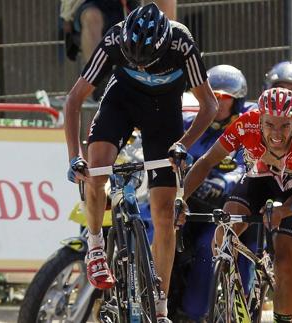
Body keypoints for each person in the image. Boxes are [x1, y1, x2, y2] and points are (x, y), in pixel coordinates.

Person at [64, 4, 217, 322]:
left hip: (164, 113)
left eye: (147, 61)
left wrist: (182, 146)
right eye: (134, 60)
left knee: (163, 213)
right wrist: (73, 156)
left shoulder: (181, 42)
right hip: (122, 101)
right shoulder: (113, 40)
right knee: (96, 169)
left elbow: (209, 106)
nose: (142, 67)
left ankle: (160, 305)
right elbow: (74, 100)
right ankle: (95, 244)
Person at [183, 87, 292, 322]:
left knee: (284, 261)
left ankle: (284, 318)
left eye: (284, 125)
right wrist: (180, 199)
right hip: (261, 178)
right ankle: (231, 290)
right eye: (269, 125)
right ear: (259, 120)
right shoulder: (245, 125)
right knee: (223, 233)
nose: (276, 134)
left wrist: (283, 211)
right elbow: (207, 161)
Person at [172, 64, 256, 321]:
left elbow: (248, 166)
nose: (218, 103)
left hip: (224, 210)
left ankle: (192, 314)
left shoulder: (245, 129)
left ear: (237, 101)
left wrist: (225, 182)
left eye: (225, 98)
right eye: (213, 96)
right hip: (184, 202)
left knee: (206, 246)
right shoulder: (189, 123)